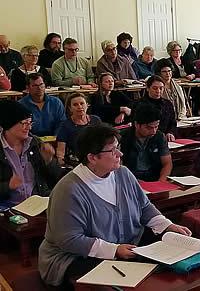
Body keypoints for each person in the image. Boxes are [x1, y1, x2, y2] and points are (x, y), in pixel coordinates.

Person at [38, 124, 191, 288]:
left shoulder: (123, 173)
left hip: (125, 243)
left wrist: (167, 226)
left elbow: (144, 207)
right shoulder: (69, 190)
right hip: (74, 256)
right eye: (112, 151)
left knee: (172, 260)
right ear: (92, 158)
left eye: (118, 148)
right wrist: (114, 250)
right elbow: (70, 240)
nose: (120, 154)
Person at [0, 100, 62, 207]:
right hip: (7, 208)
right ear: (9, 124)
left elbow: (56, 179)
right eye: (24, 123)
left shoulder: (35, 143)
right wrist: (7, 186)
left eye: (30, 123)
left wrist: (49, 161)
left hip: (37, 204)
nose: (29, 128)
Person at [120, 104, 172, 182]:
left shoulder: (159, 136)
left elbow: (167, 163)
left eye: (156, 127)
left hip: (153, 177)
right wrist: (132, 181)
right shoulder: (123, 137)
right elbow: (118, 167)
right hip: (130, 178)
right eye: (149, 128)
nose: (154, 131)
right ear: (136, 124)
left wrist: (161, 182)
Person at [56, 93, 101, 165]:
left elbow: (104, 142)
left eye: (82, 103)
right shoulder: (65, 125)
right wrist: (60, 161)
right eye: (75, 105)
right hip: (76, 161)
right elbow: (61, 151)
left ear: (87, 105)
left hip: (98, 158)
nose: (80, 107)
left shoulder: (96, 120)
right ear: (70, 108)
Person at [136, 76, 177, 141]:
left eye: (161, 88)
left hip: (165, 139)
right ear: (148, 88)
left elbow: (172, 122)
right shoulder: (139, 104)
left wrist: (170, 132)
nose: (158, 91)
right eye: (155, 88)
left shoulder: (168, 104)